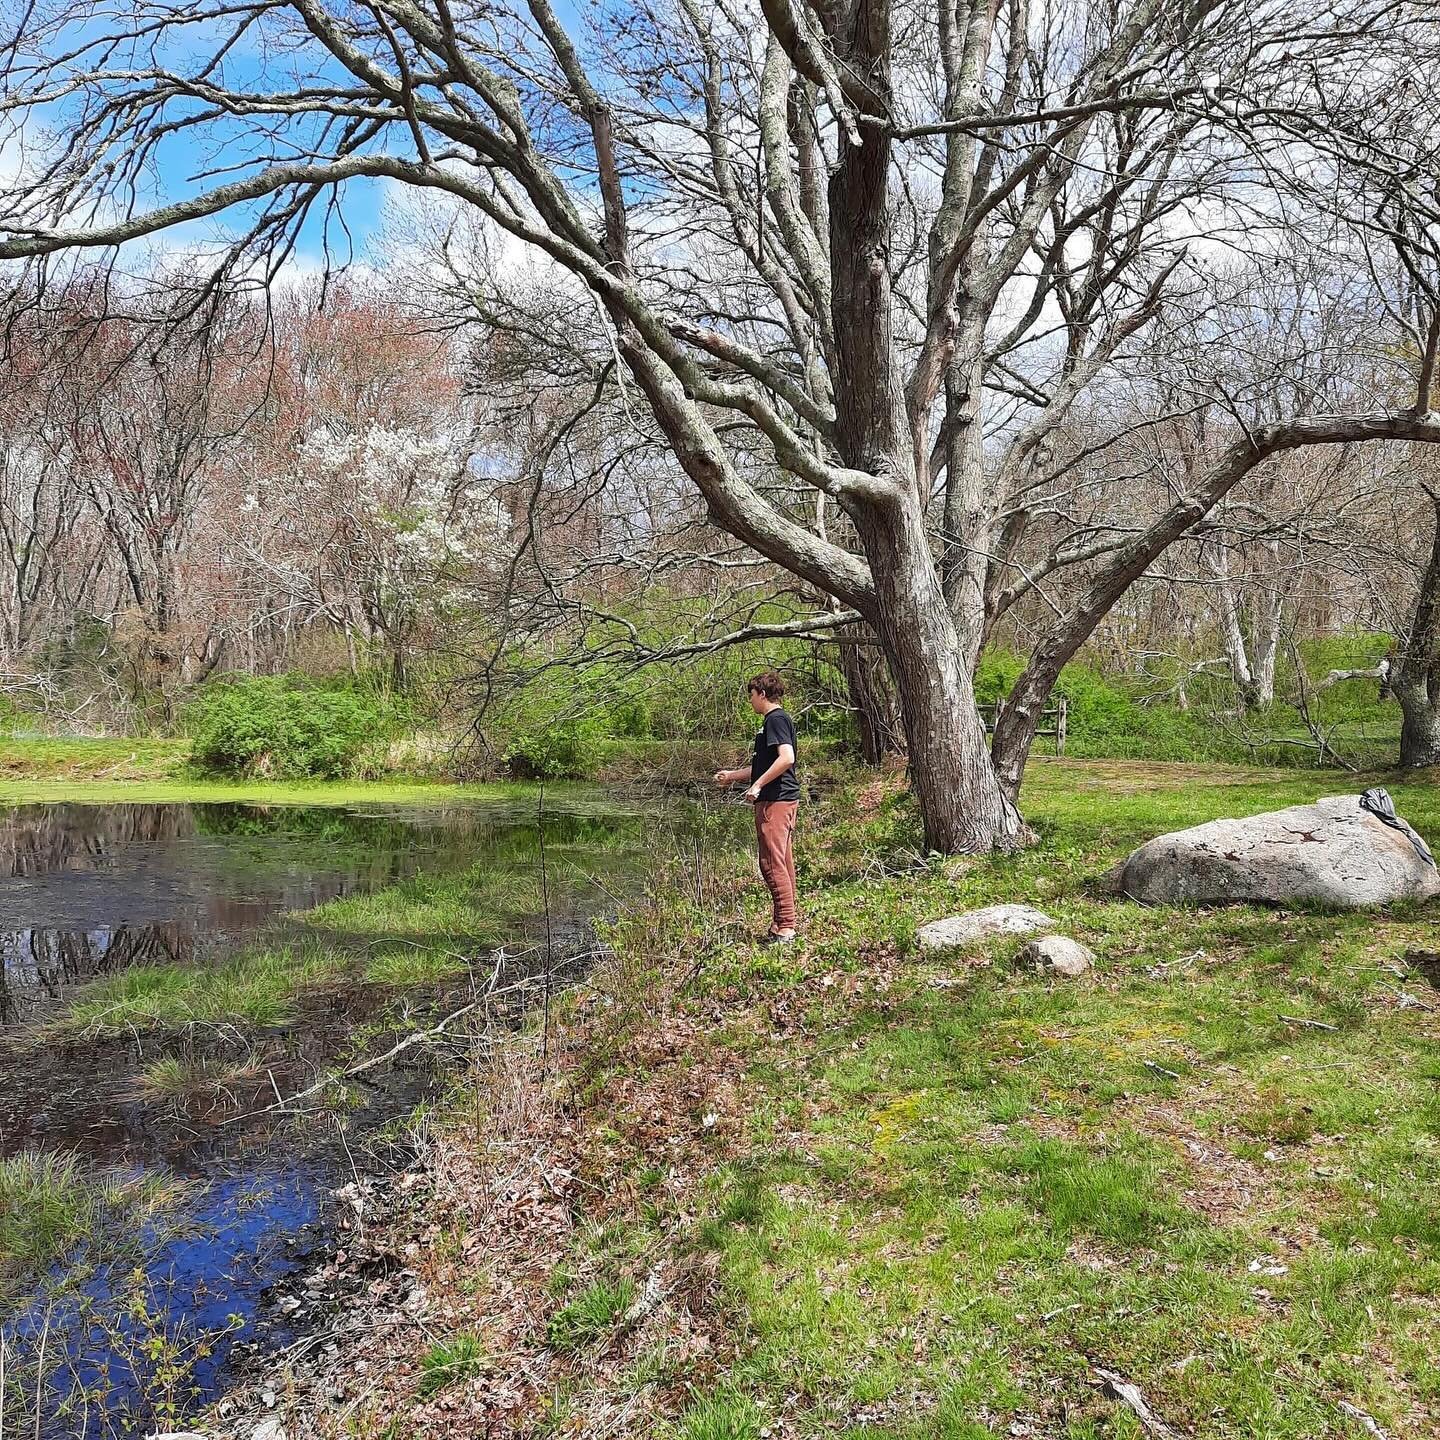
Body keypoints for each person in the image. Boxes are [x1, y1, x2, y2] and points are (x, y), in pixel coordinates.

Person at [713, 671, 800, 944]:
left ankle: (786, 927)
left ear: (762, 694)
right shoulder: (775, 722)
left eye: (751, 695)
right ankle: (782, 923)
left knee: (771, 864)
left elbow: (787, 758)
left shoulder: (774, 719)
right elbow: (765, 765)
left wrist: (758, 785)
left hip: (776, 801)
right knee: (782, 862)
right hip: (779, 798)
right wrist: (733, 776)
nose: (750, 701)